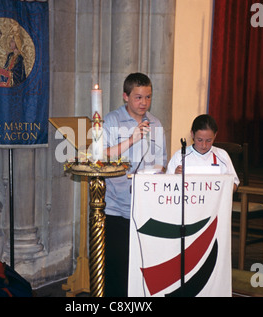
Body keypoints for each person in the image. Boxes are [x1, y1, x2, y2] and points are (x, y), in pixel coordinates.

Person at [103, 73, 167, 297]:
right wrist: (132, 139)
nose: (144, 103)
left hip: (146, 209)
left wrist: (158, 173)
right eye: (138, 97)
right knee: (117, 271)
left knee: (144, 269)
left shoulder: (156, 123)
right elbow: (101, 157)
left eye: (148, 97)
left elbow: (162, 162)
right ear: (125, 96)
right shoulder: (111, 120)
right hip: (117, 209)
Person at [166, 114, 239, 191]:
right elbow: (166, 185)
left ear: (215, 135)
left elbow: (234, 184)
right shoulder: (180, 156)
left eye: (208, 140)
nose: (204, 145)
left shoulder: (222, 155)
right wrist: (174, 177)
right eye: (200, 140)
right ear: (192, 134)